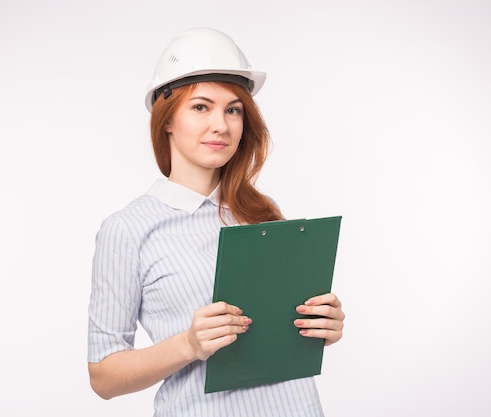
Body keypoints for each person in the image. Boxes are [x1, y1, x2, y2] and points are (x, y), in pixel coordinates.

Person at [87, 27, 345, 417]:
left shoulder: (262, 212)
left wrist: (321, 326)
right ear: (167, 118)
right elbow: (103, 377)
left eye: (233, 109)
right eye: (201, 107)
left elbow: (279, 333)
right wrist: (188, 344)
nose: (221, 125)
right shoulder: (128, 229)